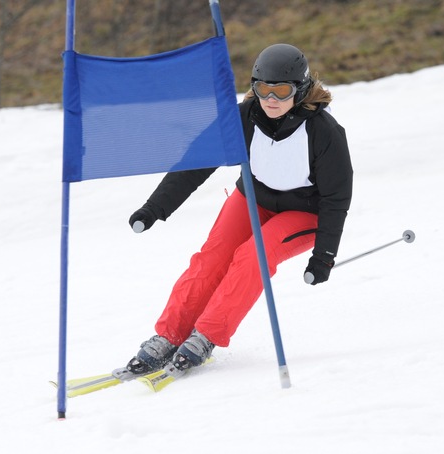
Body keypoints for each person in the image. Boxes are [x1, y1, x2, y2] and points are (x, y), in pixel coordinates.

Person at [124, 43, 353, 375]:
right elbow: (196, 164)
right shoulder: (243, 117)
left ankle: (206, 335)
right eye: (263, 89)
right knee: (213, 257)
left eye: (282, 90)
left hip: (305, 211)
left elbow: (337, 198)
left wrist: (324, 256)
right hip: (254, 198)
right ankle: (169, 334)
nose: (271, 99)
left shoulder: (323, 131)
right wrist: (154, 208)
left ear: (300, 90)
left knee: (253, 256)